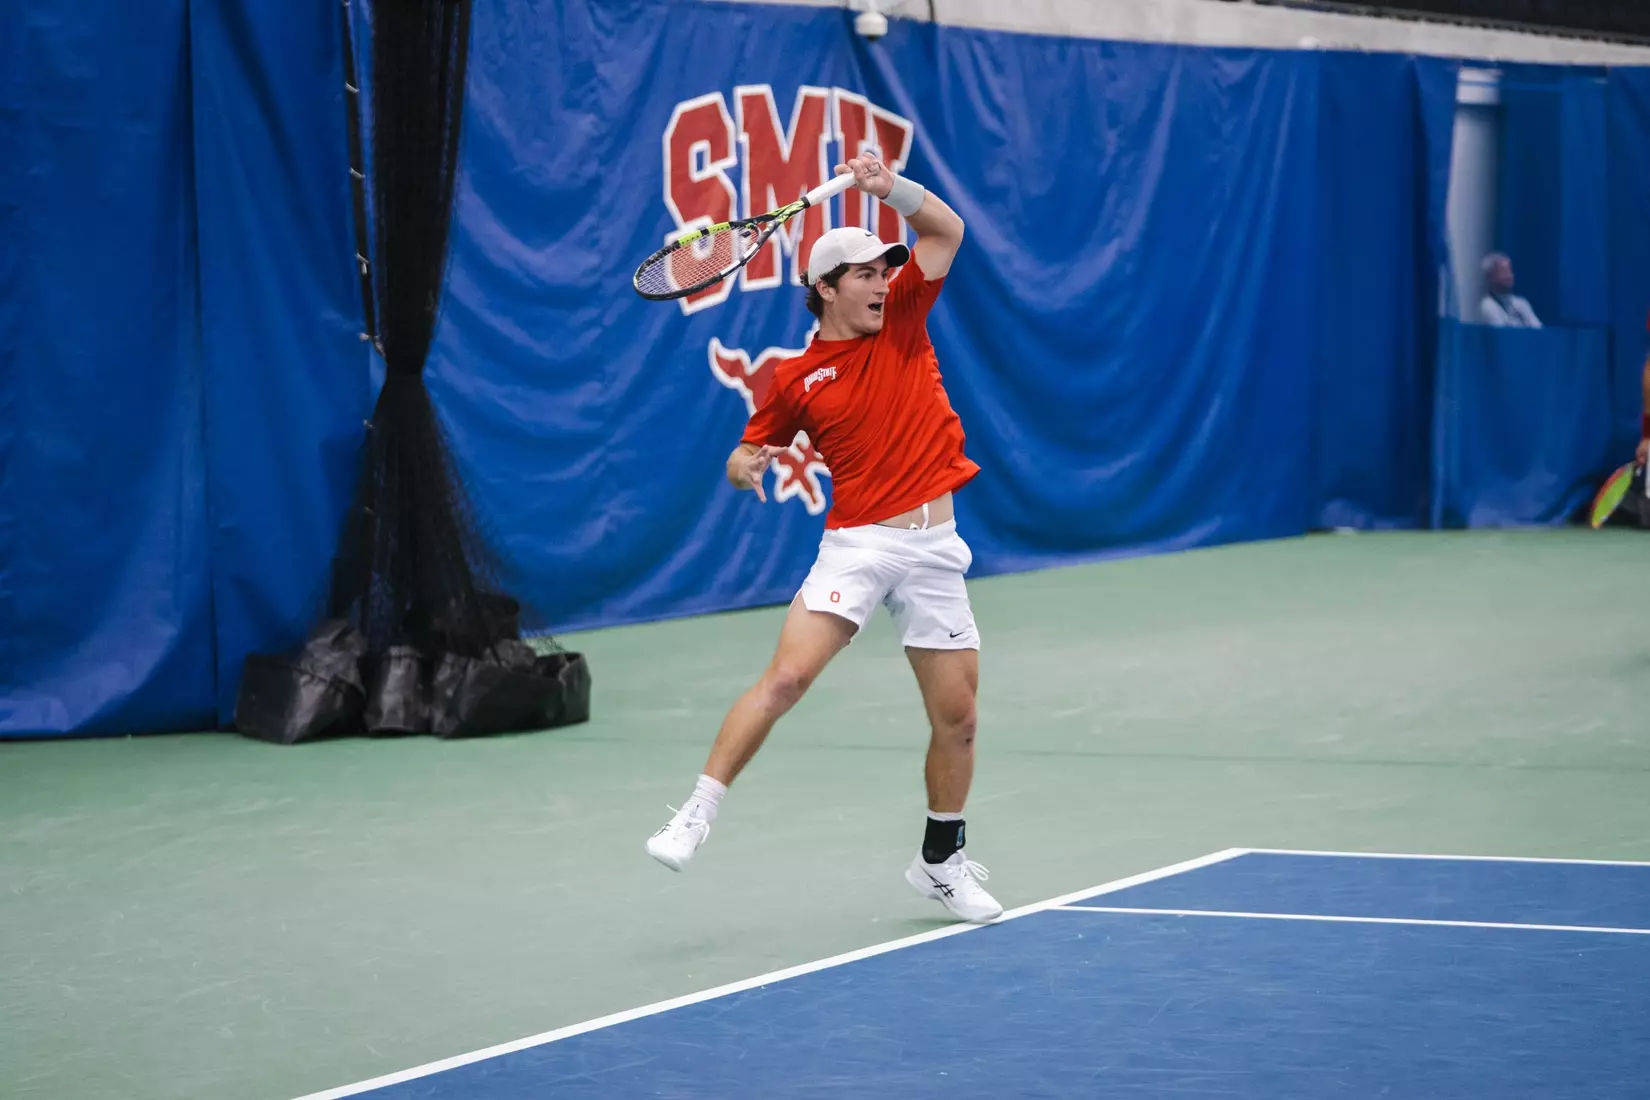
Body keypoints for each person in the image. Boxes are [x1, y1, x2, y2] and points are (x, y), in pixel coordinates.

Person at [644, 150, 1002, 923]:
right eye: (867, 273)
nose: (883, 282)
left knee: (960, 717)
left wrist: (890, 190)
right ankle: (696, 813)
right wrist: (749, 464)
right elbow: (743, 456)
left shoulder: (905, 316)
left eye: (886, 271)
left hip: (936, 547)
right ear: (826, 289)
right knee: (786, 680)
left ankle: (942, 860)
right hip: (859, 546)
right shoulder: (795, 379)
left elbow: (946, 229)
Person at [1479, 252, 1541, 328]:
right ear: (1490, 277)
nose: (1509, 276)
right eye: (1503, 271)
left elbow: (1539, 331)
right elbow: (1502, 335)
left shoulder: (1522, 304)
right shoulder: (1488, 306)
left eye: (1509, 270)